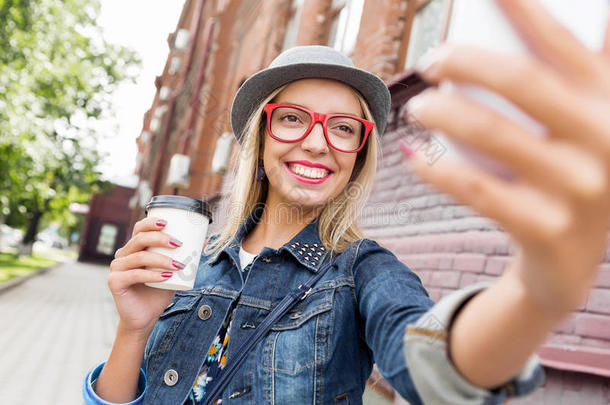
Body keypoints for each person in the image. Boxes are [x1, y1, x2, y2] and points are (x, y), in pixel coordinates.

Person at [83, 1, 610, 403]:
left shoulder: (364, 273)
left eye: (342, 128)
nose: (317, 142)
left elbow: (431, 361)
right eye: (292, 118)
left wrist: (537, 290)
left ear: (358, 156)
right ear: (259, 135)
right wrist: (133, 329)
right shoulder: (191, 263)